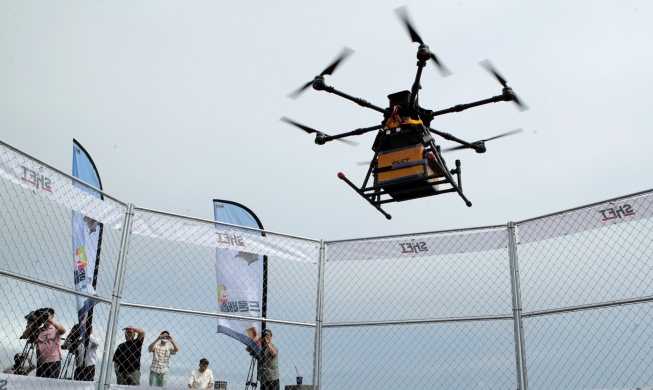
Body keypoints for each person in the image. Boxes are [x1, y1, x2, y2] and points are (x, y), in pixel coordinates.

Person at [20, 309, 66, 378]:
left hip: (53, 360)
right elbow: (24, 336)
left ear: (52, 316)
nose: (45, 318)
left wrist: (50, 320)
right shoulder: (39, 330)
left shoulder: (55, 328)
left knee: (51, 384)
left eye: (46, 316)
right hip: (41, 362)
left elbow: (63, 331)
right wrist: (32, 323)